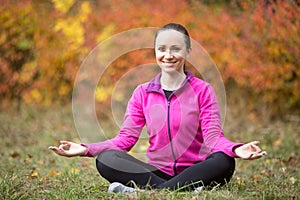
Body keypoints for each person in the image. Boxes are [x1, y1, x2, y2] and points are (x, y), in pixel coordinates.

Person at [49, 23, 267, 194]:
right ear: (155, 52)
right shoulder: (142, 93)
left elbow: (212, 138)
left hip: (197, 169)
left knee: (223, 160)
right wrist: (86, 149)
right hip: (157, 171)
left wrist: (236, 149)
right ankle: (183, 190)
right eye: (162, 49)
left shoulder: (203, 90)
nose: (168, 55)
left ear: (188, 52)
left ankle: (141, 192)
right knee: (106, 159)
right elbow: (125, 139)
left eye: (176, 49)